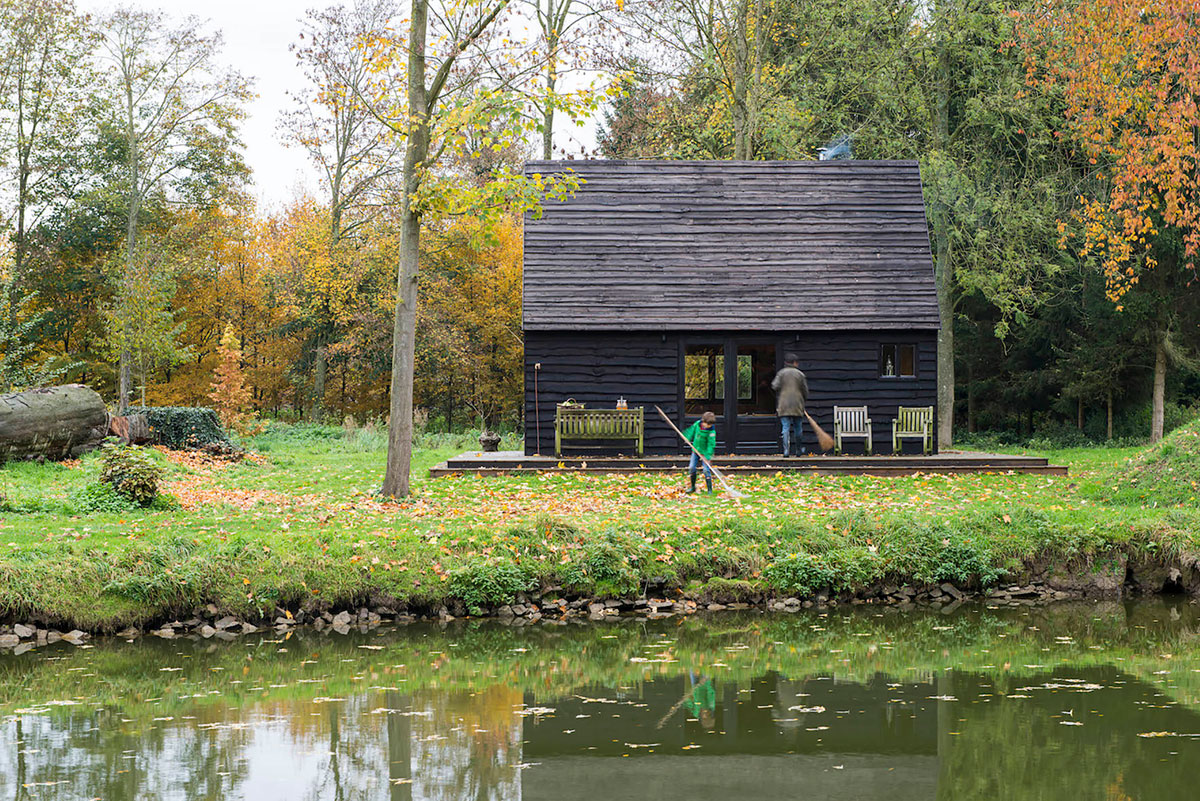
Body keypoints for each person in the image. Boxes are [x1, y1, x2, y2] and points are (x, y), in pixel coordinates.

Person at [771, 354, 809, 456]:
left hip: (784, 404)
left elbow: (774, 386)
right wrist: (803, 399)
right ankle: (798, 450)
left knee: (785, 428)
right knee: (798, 428)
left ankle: (786, 451)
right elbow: (805, 391)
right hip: (797, 404)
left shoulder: (781, 373)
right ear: (795, 362)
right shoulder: (800, 374)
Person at [682, 411, 717, 493]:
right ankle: (693, 487)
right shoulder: (697, 424)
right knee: (691, 468)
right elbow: (691, 431)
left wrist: (707, 456)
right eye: (707, 424)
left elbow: (711, 445)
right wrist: (687, 437)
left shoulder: (711, 432)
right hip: (695, 451)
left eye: (710, 425)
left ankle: (709, 490)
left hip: (705, 453)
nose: (709, 426)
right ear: (703, 421)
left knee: (706, 470)